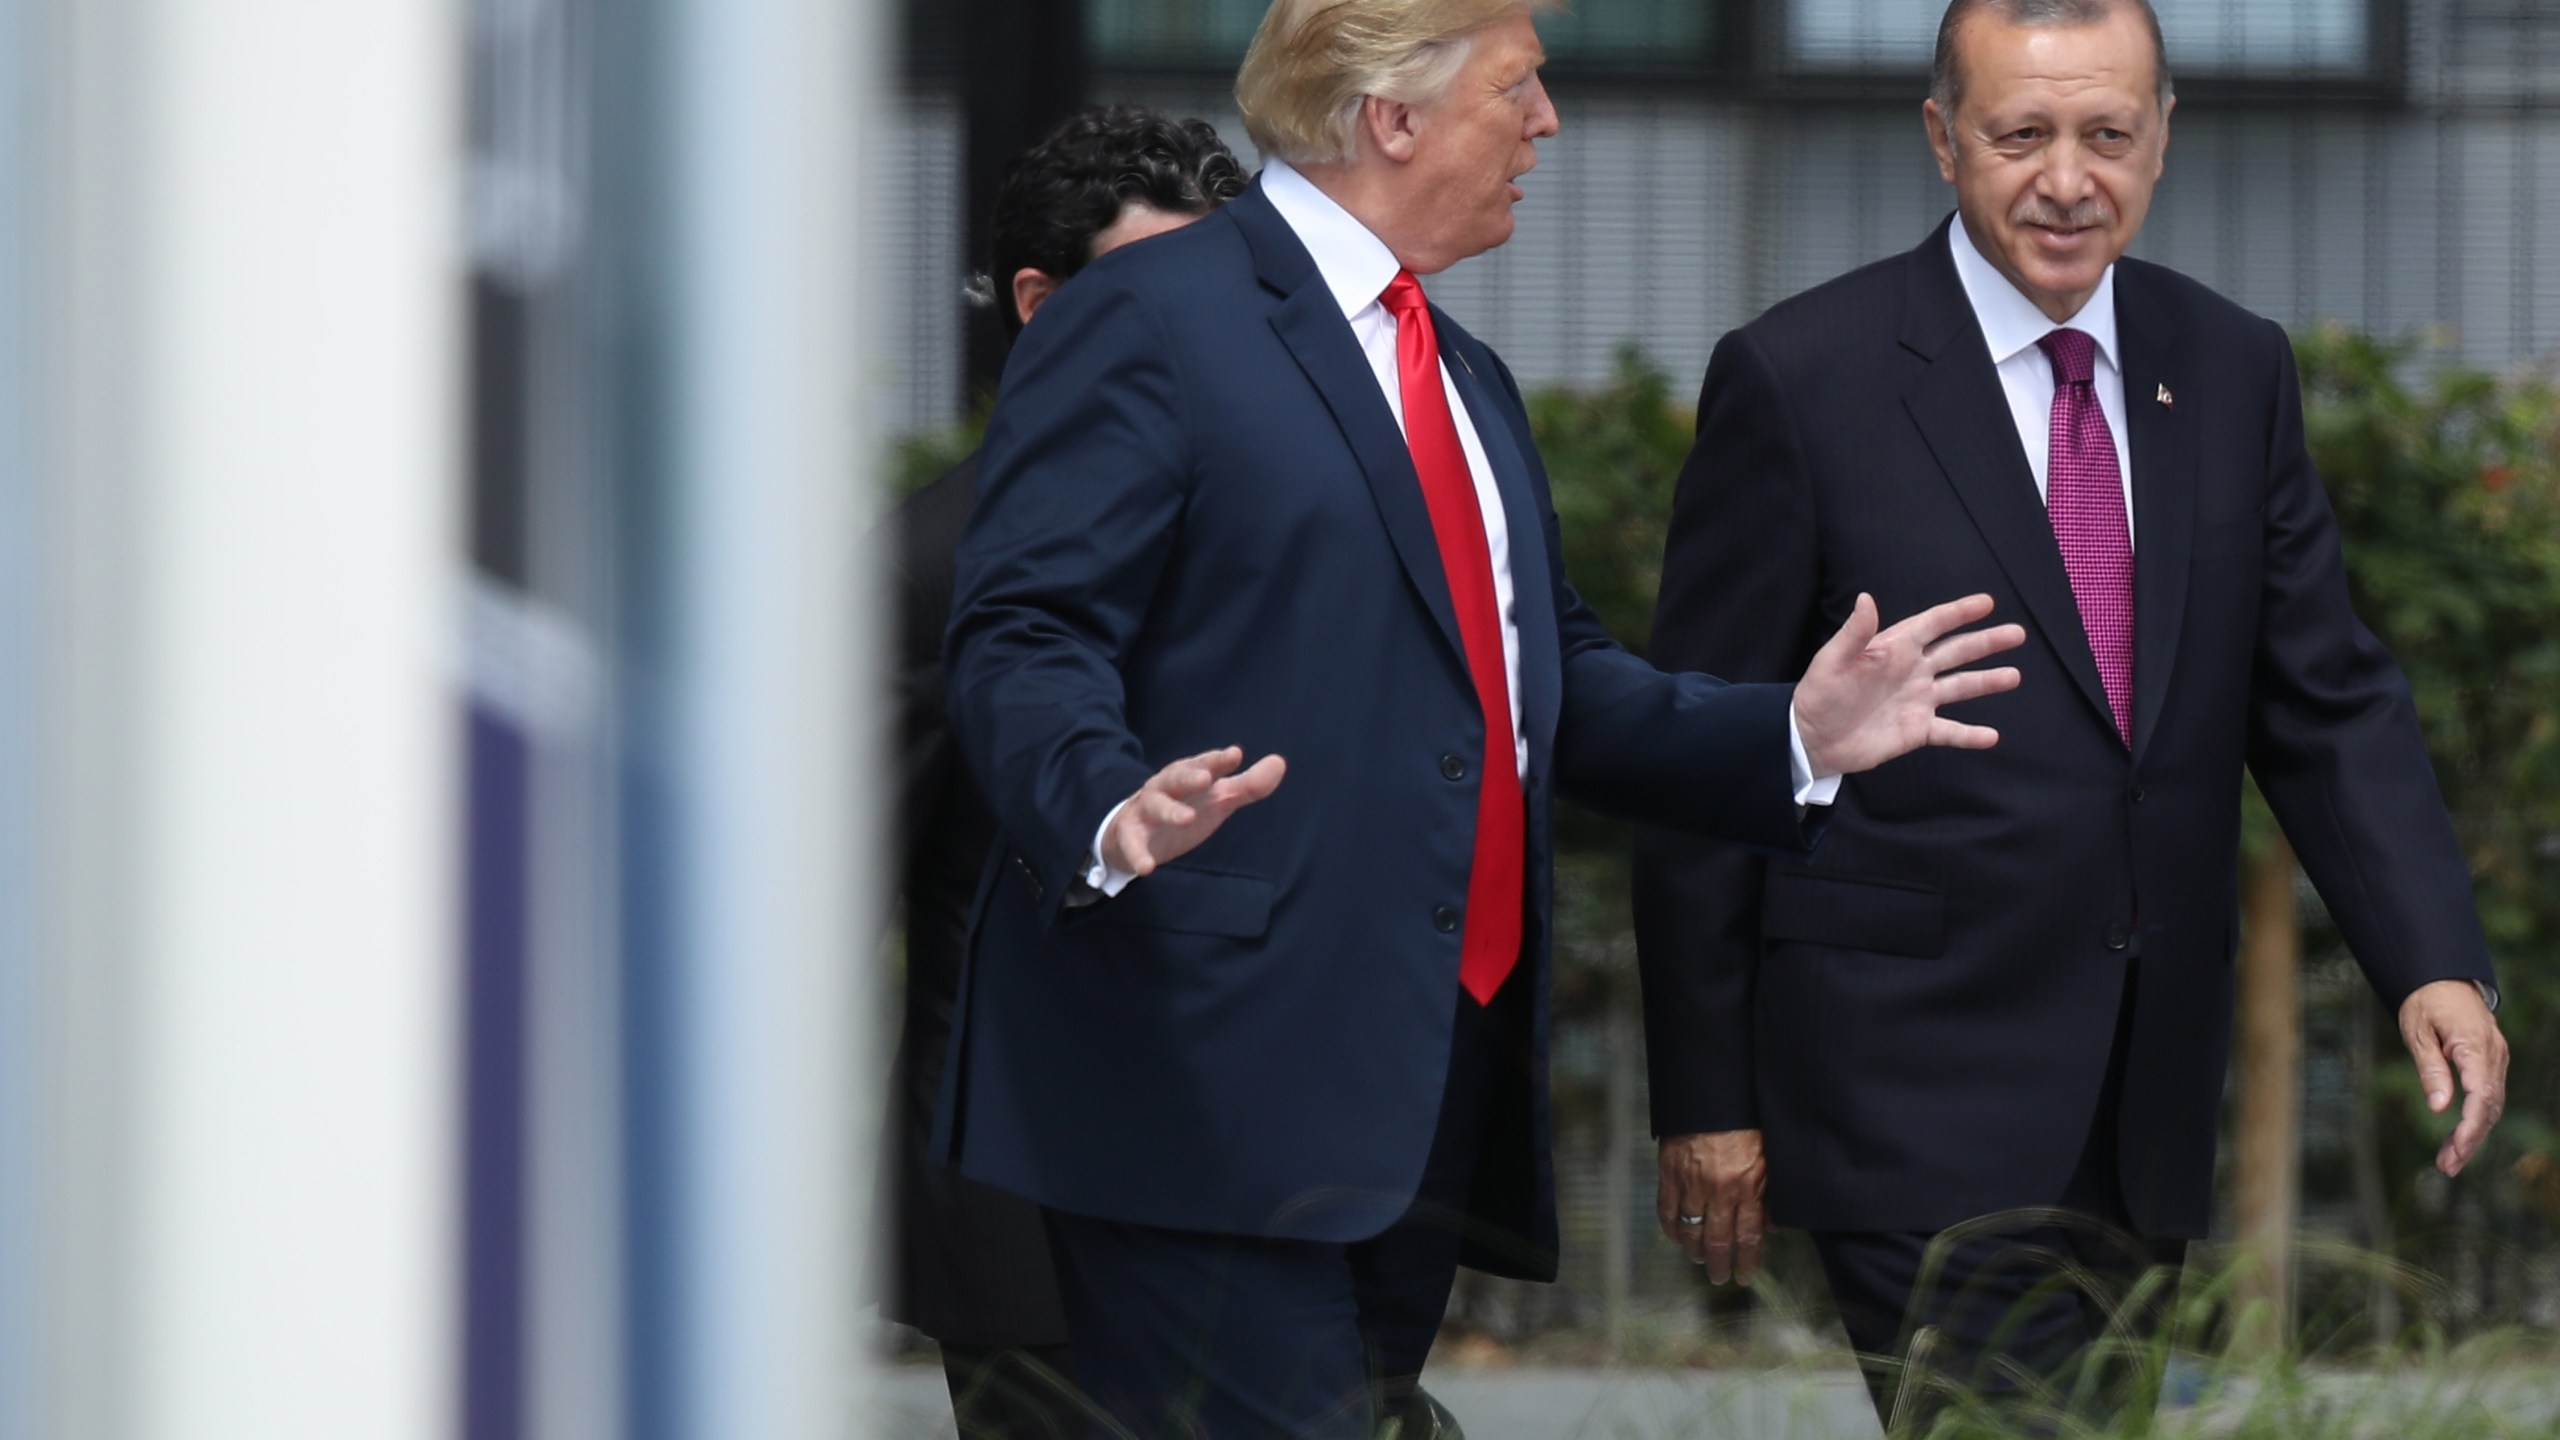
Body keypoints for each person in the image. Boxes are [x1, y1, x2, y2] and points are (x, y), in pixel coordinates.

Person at [932, 3, 2029, 1437]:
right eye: (1521, 86)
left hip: (1412, 1091)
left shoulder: (1461, 374)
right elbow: (1024, 627)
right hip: (1196, 1078)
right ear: (1391, 116)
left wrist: (1796, 737)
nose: (1549, 121)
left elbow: (1543, 682)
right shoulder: (1145, 315)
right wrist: (1101, 800)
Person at [1630, 0, 2511, 1425]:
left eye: (2108, 134)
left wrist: (2432, 958)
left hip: (2143, 1090)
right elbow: (1704, 754)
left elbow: (2326, 699)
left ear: (2164, 138)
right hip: (1902, 1082)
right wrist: (1706, 1095)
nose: (2066, 178)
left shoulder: (2231, 368)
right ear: (1941, 139)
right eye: (2020, 134)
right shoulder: (1803, 379)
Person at [883, 104, 1245, 1440]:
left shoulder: (1258, 522)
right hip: (1031, 1233)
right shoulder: (927, 563)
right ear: (1041, 304)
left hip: (1261, 1203)